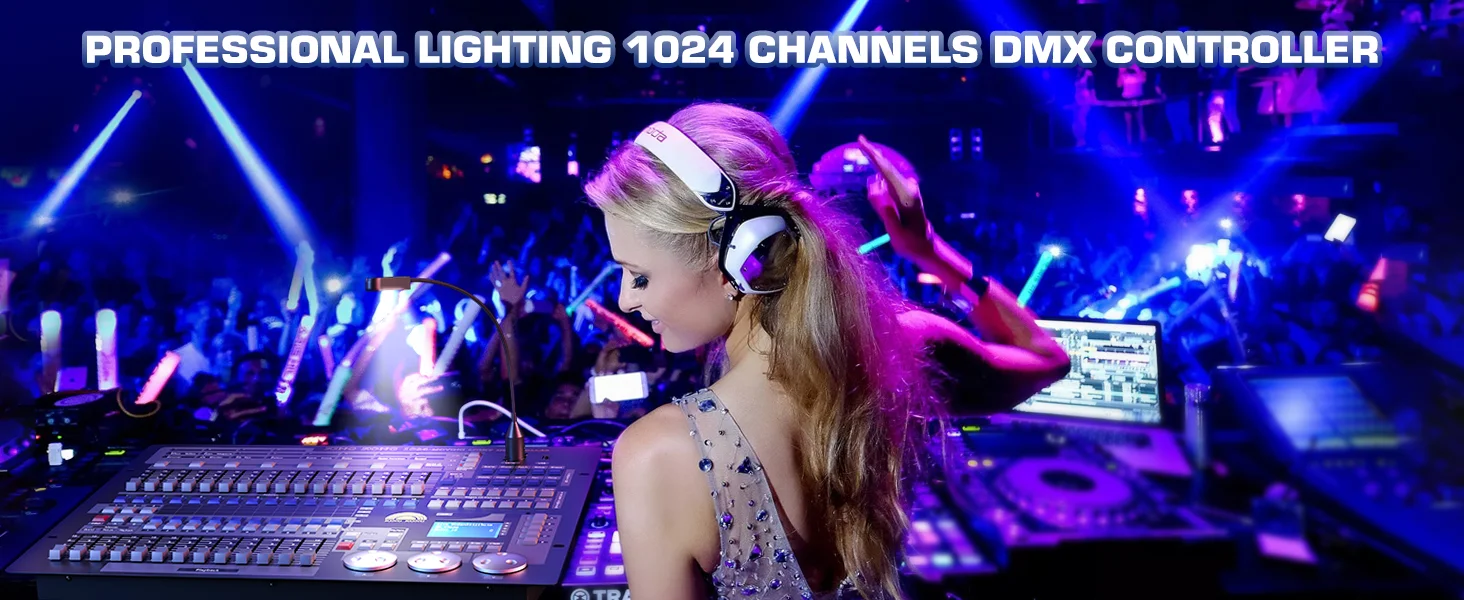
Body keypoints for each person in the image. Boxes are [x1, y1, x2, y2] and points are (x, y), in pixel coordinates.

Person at [589, 103, 1067, 600]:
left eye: (639, 275)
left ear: (735, 259)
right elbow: (1046, 358)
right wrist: (928, 250)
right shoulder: (905, 345)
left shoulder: (656, 455)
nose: (625, 300)